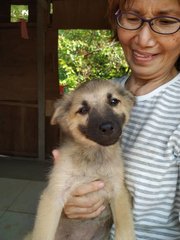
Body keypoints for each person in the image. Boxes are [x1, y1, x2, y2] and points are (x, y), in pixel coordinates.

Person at [53, 0, 180, 239]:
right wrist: (70, 202)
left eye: (166, 22)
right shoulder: (103, 93)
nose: (143, 39)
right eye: (132, 18)